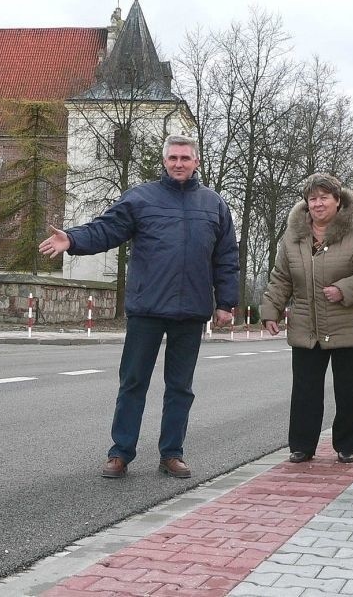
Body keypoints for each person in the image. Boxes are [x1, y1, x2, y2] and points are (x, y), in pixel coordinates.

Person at [39, 135, 239, 479]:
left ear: (197, 162)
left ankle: (172, 454)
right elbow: (107, 229)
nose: (179, 163)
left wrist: (226, 302)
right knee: (133, 383)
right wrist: (72, 239)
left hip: (191, 310)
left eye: (185, 158)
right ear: (165, 161)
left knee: (181, 388)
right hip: (147, 307)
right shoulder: (141, 198)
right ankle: (120, 454)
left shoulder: (214, 204)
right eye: (173, 157)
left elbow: (226, 258)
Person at [261, 173, 353, 465]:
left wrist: (344, 290)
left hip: (351, 324)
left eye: (324, 198)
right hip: (308, 324)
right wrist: (271, 310)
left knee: (350, 389)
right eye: (312, 198)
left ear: (337, 200)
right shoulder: (293, 235)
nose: (318, 204)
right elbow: (281, 277)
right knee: (305, 390)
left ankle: (347, 445)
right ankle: (302, 446)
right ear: (306, 203)